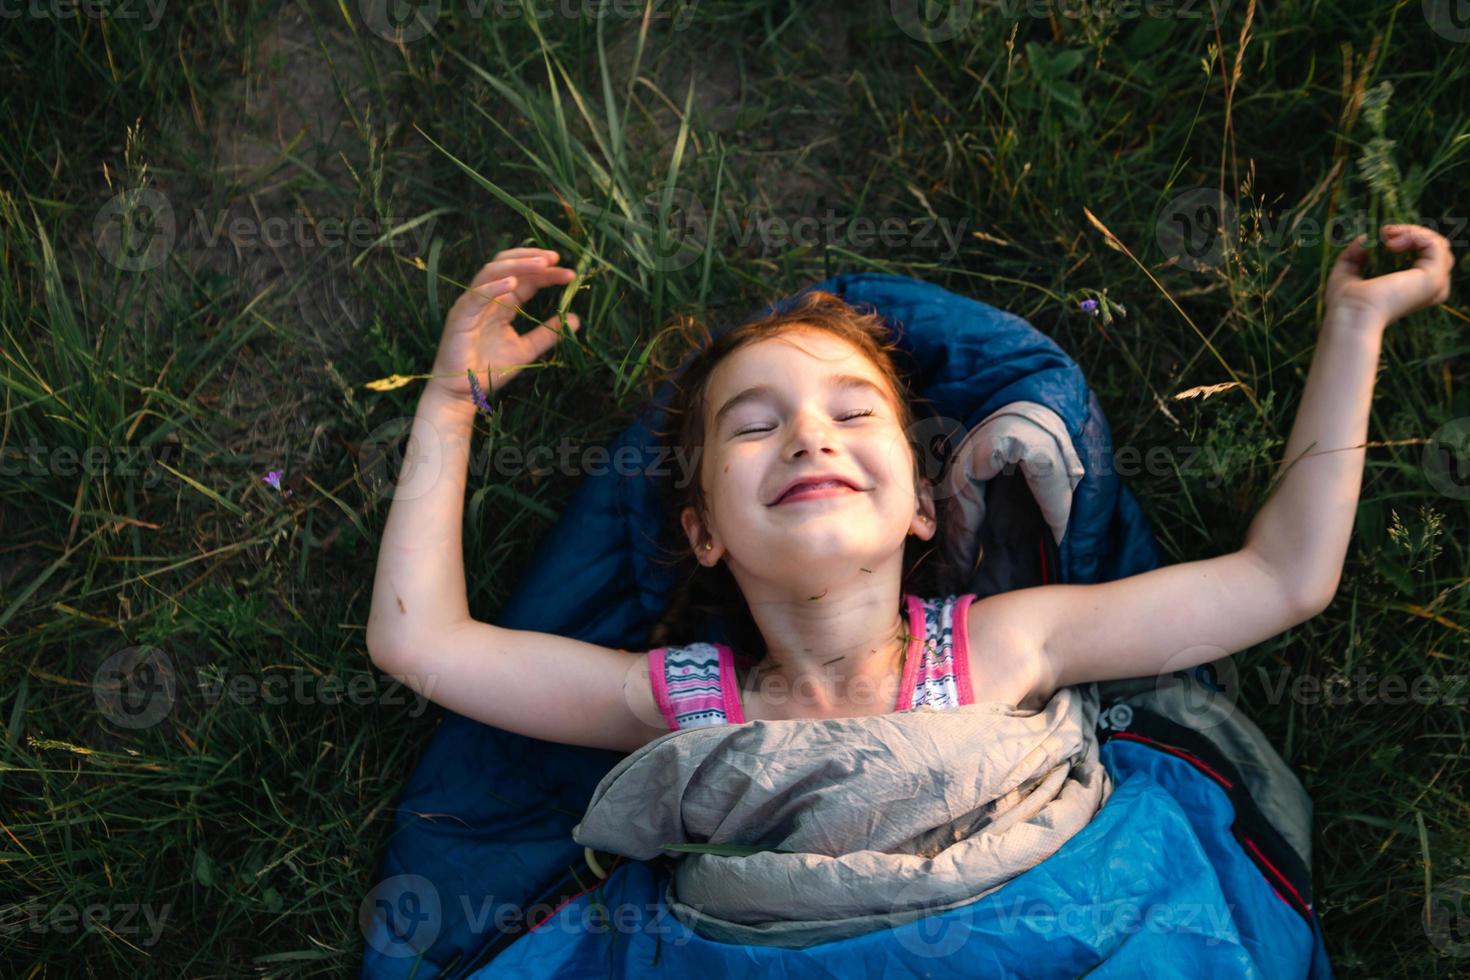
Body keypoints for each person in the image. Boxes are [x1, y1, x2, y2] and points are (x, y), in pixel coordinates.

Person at [364, 228, 1454, 754]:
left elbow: (1284, 575)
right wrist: (453, 401)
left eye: (851, 413)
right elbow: (423, 645)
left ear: (925, 506)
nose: (805, 433)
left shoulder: (1004, 644)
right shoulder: (674, 700)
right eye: (753, 422)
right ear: (700, 530)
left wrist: (1353, 327)